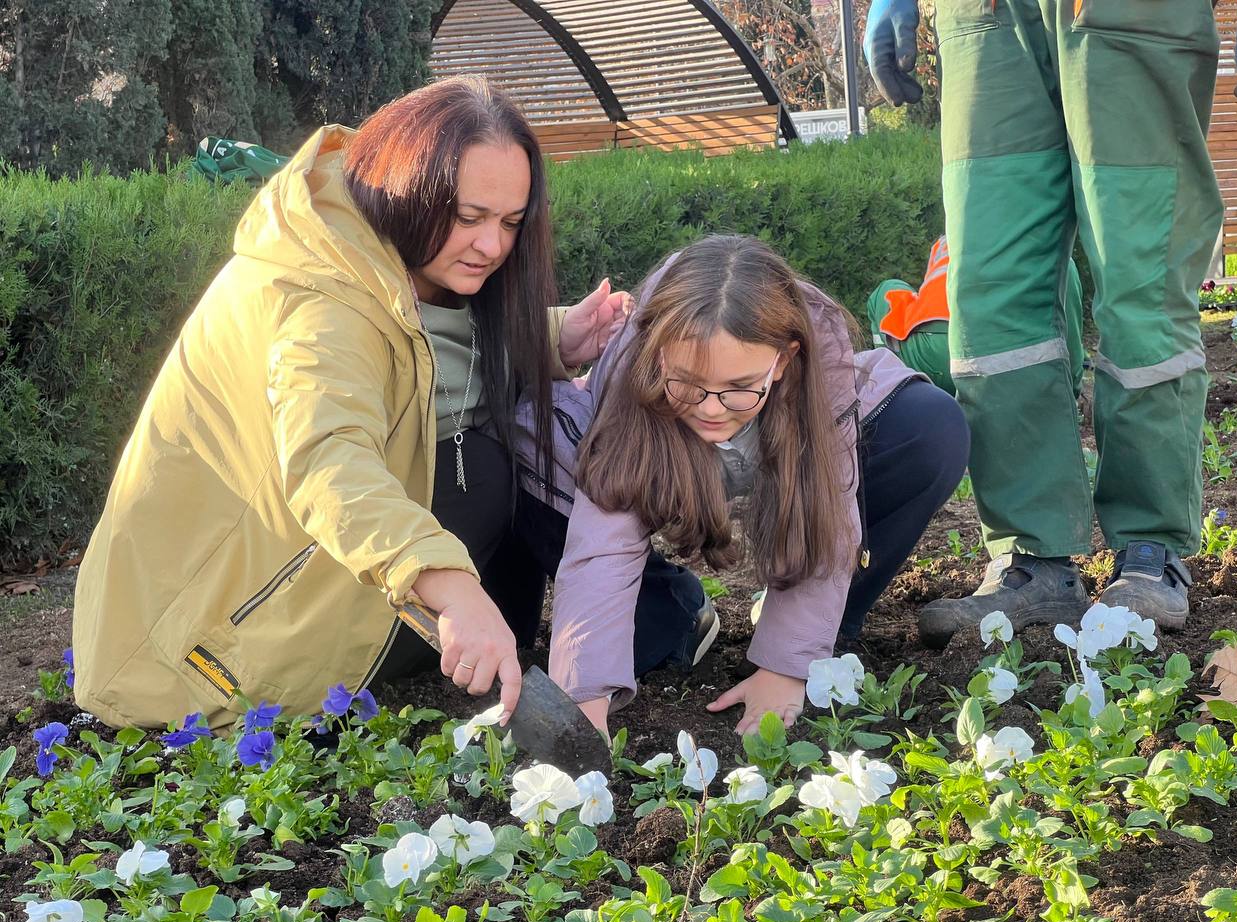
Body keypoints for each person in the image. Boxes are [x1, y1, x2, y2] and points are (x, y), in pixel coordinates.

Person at [72, 77, 628, 733]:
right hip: (199, 650)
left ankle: (621, 617)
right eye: (469, 217)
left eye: (510, 223)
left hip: (272, 593)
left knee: (497, 446)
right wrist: (453, 592)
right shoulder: (321, 297)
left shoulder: (371, 245)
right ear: (409, 188)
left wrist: (553, 336)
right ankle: (619, 629)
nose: (492, 246)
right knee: (481, 464)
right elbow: (329, 460)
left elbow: (418, 353)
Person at [861, 0, 1237, 645]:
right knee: (988, 294)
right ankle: (1033, 560)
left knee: (1144, 277)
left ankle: (1150, 548)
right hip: (987, 18)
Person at [510, 235, 970, 735]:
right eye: (689, 382)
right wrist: (585, 696)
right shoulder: (635, 368)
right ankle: (680, 606)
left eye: (738, 387)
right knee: (646, 641)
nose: (710, 408)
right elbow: (605, 537)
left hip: (799, 438)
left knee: (932, 425)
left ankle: (813, 635)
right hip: (649, 466)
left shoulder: (819, 360)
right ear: (658, 353)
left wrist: (785, 669)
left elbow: (827, 506)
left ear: (784, 358)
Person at [866, 235, 1086, 399]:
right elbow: (1069, 336)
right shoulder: (1048, 244)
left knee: (887, 290)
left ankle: (887, 390)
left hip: (932, 352)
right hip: (1000, 361)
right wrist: (1071, 390)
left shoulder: (951, 232)